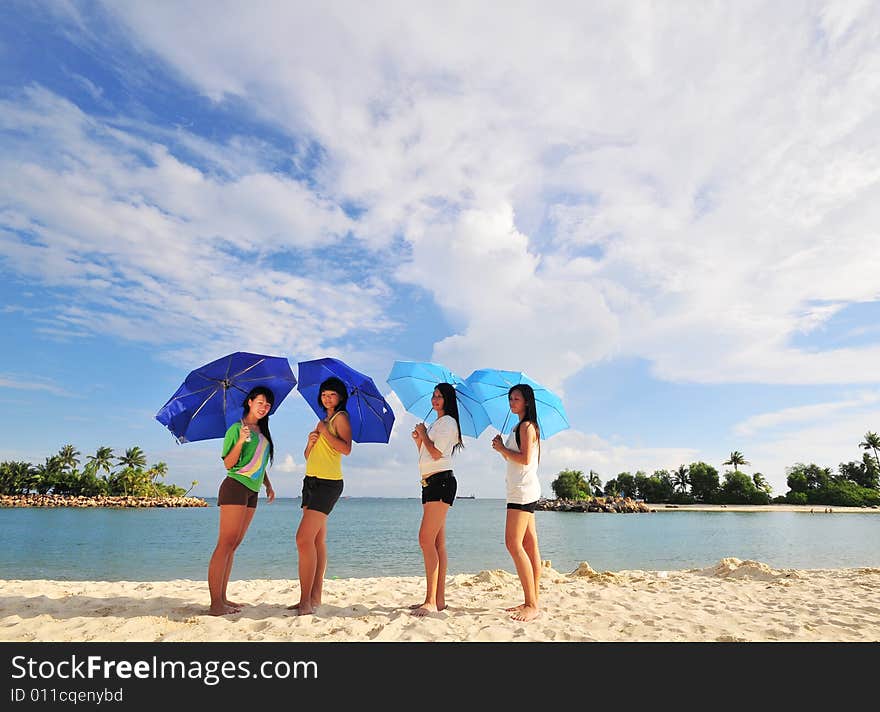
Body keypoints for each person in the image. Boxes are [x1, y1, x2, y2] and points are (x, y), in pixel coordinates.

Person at [207, 385, 276, 616]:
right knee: (224, 544)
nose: (264, 408)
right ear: (250, 402)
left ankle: (223, 597)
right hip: (235, 487)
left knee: (233, 545)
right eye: (260, 403)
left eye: (268, 405)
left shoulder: (263, 432)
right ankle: (215, 604)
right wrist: (240, 441)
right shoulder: (236, 429)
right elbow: (228, 464)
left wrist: (267, 484)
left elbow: (258, 463)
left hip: (252, 491)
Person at [289, 376, 352, 615]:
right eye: (324, 394)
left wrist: (325, 432)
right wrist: (310, 442)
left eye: (332, 394)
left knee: (303, 539)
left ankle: (306, 600)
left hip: (328, 484)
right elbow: (310, 457)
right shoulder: (322, 421)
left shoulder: (341, 418)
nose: (327, 397)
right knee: (315, 541)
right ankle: (313, 597)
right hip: (311, 482)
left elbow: (346, 448)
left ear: (340, 397)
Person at [410, 382, 464, 617]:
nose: (435, 400)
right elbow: (426, 453)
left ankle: (431, 600)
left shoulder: (449, 422)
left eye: (440, 396)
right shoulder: (437, 423)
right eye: (433, 396)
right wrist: (419, 440)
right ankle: (438, 599)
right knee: (437, 543)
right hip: (430, 483)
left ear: (448, 400)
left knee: (425, 539)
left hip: (441, 482)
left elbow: (436, 454)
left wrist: (424, 435)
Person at [491, 383, 542, 622]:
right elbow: (519, 459)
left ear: (527, 402)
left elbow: (525, 459)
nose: (512, 402)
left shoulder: (526, 426)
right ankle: (532, 599)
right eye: (510, 398)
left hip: (521, 492)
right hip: (522, 489)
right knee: (529, 545)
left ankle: (532, 604)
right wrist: (501, 449)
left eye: (517, 399)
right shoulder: (520, 426)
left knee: (513, 543)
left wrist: (502, 448)